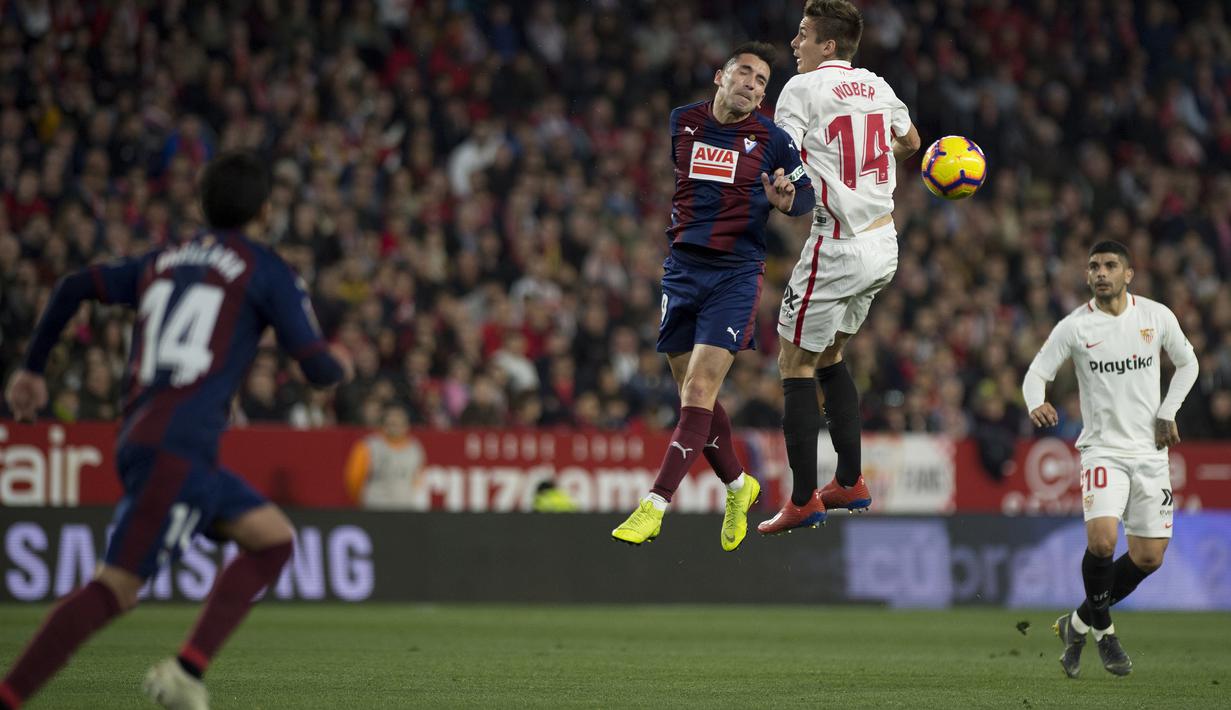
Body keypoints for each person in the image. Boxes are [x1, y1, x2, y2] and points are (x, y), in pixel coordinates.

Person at [0, 151, 353, 710]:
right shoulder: (265, 268)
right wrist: (340, 363)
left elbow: (73, 285)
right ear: (266, 210)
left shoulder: (162, 259)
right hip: (178, 449)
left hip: (158, 437)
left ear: (203, 205)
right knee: (115, 590)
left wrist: (32, 368)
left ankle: (187, 670)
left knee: (273, 540)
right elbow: (315, 368)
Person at [610, 41, 816, 551]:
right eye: (744, 73)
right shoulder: (683, 121)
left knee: (699, 392)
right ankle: (738, 485)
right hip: (681, 271)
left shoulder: (773, 139)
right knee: (692, 397)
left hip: (735, 275)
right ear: (720, 78)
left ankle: (655, 504)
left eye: (762, 81)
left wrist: (789, 203)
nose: (752, 84)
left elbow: (805, 194)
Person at [758, 0, 921, 535]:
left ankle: (803, 498)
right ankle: (849, 479)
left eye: (803, 35)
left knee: (793, 363)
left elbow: (782, 156)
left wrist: (784, 187)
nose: (794, 43)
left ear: (827, 45)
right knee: (831, 353)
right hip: (884, 241)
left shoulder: (801, 90)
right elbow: (911, 141)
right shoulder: (877, 84)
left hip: (839, 243)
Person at [1023, 240, 1198, 678]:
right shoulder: (1075, 327)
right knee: (1102, 542)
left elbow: (1188, 362)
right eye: (1094, 266)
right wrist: (1035, 402)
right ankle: (1105, 632)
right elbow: (1036, 372)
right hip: (1102, 450)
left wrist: (1167, 411)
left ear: (1128, 274)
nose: (1101, 272)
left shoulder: (1155, 316)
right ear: (1087, 276)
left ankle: (1077, 621)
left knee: (1149, 557)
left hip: (1150, 454)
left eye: (1110, 265)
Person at [343, 402, 427, 509]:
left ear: (406, 426)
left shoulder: (415, 449)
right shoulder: (369, 446)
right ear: (383, 425)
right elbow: (354, 479)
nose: (395, 428)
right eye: (391, 424)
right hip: (376, 506)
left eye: (399, 424)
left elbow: (418, 480)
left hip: (404, 508)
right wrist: (363, 501)